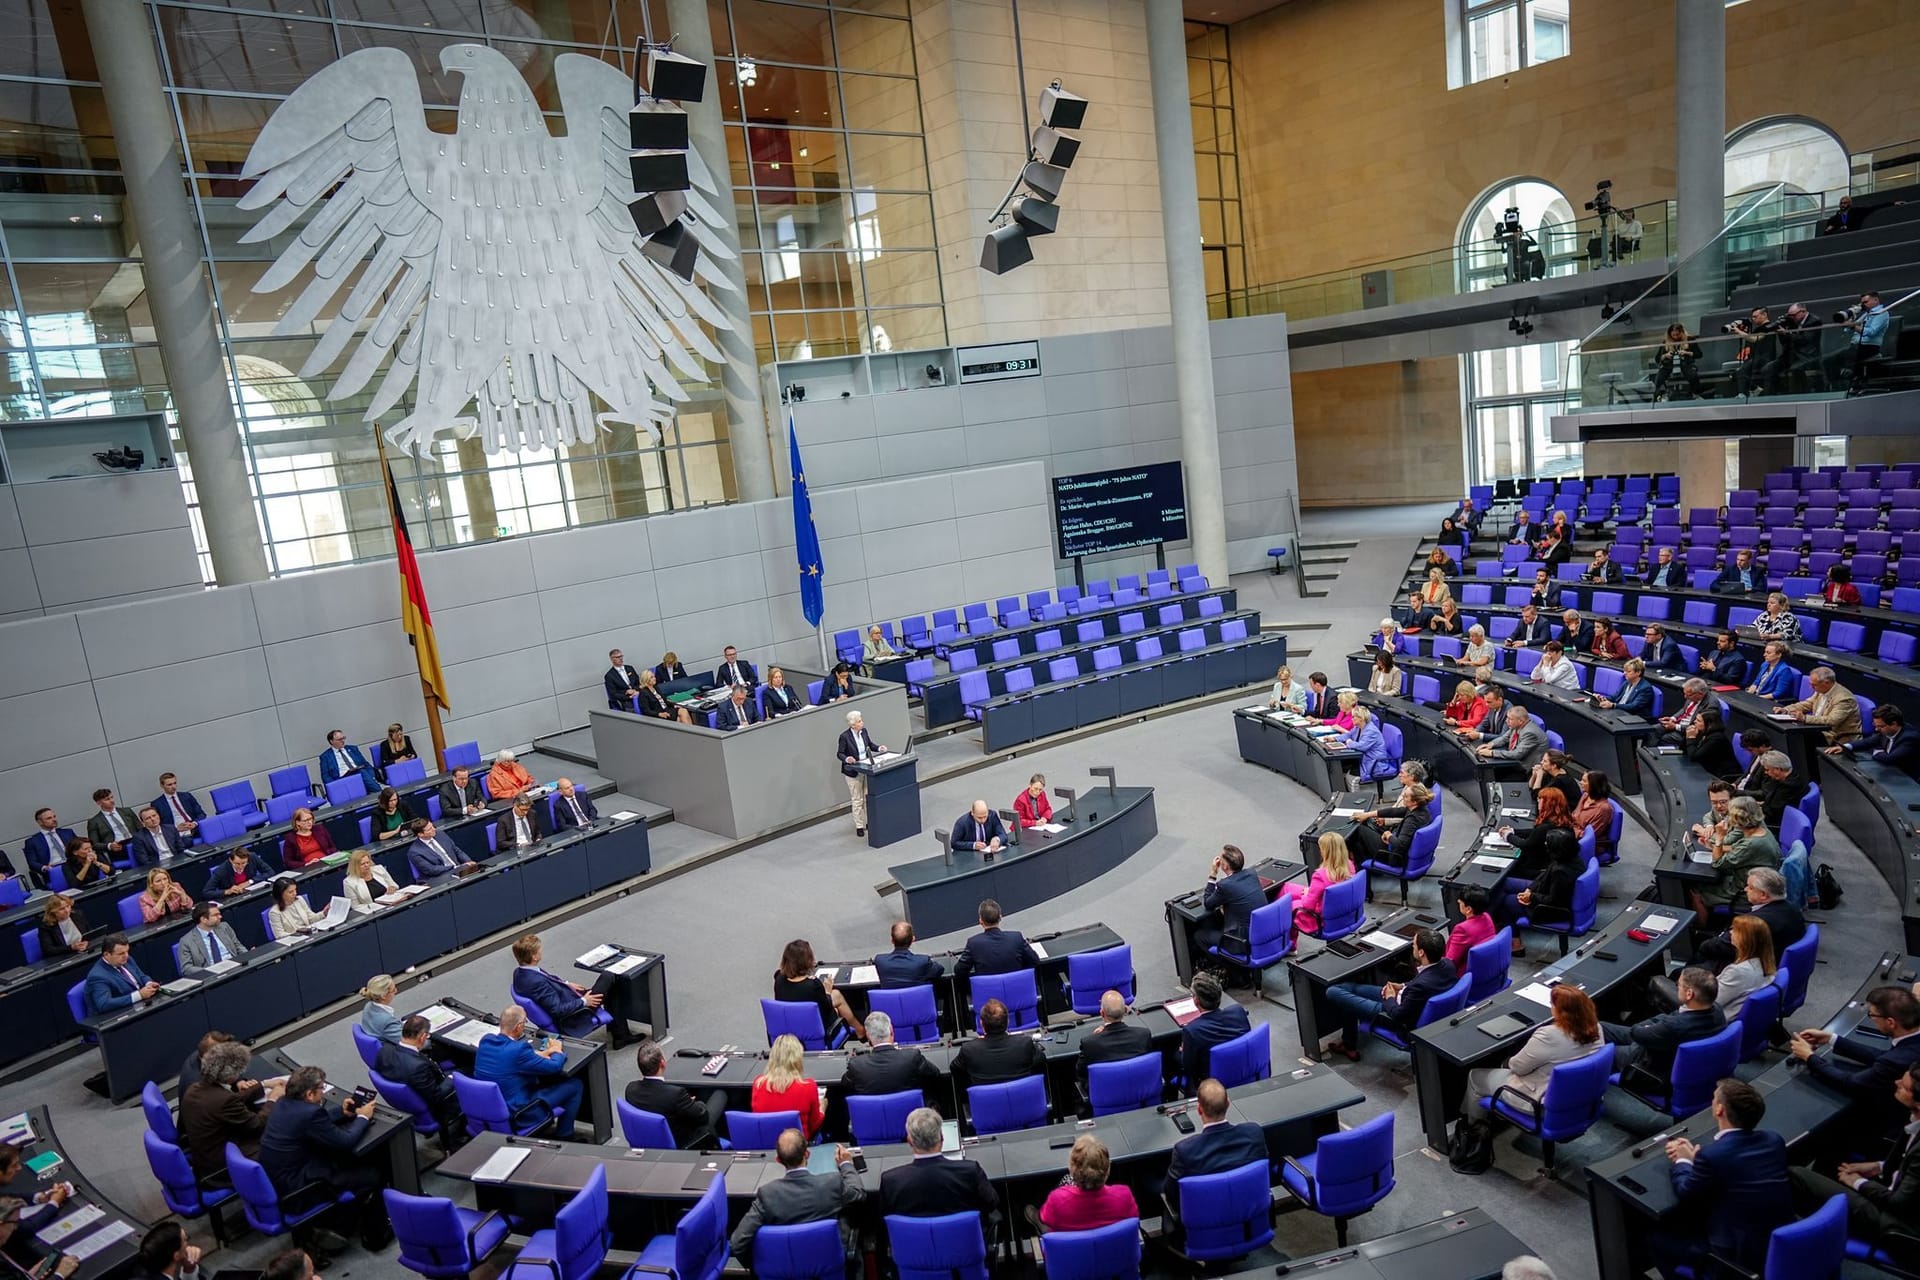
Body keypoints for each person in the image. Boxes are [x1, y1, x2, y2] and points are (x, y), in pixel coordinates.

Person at [1653, 1079, 1793, 1280]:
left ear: (1719, 1110)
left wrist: (1682, 1161)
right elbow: (1735, 1167)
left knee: (1657, 1238)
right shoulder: (1773, 1140)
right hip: (1776, 1237)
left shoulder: (1712, 1156)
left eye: (1714, 1098)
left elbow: (1686, 1191)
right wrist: (1696, 1160)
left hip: (1735, 1252)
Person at [1788, 1063, 1920, 1268]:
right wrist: (1879, 1166)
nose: (1896, 1083)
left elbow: (1897, 1202)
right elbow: (1909, 1168)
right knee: (1832, 1152)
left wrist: (1858, 1182)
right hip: (1897, 1197)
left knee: (1795, 1174)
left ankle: (1805, 1245)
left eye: (1903, 1086)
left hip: (1895, 1226)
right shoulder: (1915, 1120)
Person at [258, 1064, 388, 1249]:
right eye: (321, 1088)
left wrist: (341, 1113)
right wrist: (363, 1118)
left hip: (280, 1179)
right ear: (309, 1094)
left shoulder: (283, 1104)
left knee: (344, 1160)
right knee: (373, 1174)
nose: (323, 1092)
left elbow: (312, 1123)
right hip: (300, 1188)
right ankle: (369, 1233)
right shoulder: (309, 1113)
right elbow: (345, 1141)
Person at [1460, 984, 1601, 1123]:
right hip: (1583, 1096)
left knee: (1476, 1077)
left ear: (1560, 1011)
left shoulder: (1548, 1035)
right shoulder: (1596, 1028)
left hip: (1543, 1103)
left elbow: (1518, 1068)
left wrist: (1507, 1062)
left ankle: (1472, 1130)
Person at [728, 1127, 864, 1264]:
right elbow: (858, 1194)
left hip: (783, 1269)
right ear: (807, 1154)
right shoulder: (832, 1183)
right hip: (829, 1265)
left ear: (778, 1160)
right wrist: (846, 1164)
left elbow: (737, 1244)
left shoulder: (767, 1195)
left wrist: (764, 1265)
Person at [1323, 928, 1457, 1060]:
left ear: (1421, 953)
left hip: (1390, 1014)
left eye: (1414, 945)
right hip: (1404, 998)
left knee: (1333, 992)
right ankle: (1348, 1043)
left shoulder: (1420, 986)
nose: (1412, 947)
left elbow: (1398, 1015)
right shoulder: (1447, 964)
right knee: (1347, 988)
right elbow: (1422, 983)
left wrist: (1390, 997)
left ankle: (1349, 1043)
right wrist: (1403, 986)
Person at [1790, 987, 1920, 1123]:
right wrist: (1831, 1038)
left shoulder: (1896, 1060)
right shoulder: (1910, 1039)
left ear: (1890, 1022)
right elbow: (1884, 1055)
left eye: (1873, 1015)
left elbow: (1851, 1083)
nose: (1871, 1019)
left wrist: (1809, 1057)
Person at [1162, 1077, 1268, 1224]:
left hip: (1205, 1233)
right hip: (1249, 1225)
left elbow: (1171, 1195)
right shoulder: (1254, 1133)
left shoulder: (1185, 1151)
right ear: (1228, 1104)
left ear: (1199, 1109)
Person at [1604, 967, 1727, 1093]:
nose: (1676, 987)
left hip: (1650, 1064)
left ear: (1689, 994)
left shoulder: (1675, 1026)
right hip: (1666, 1051)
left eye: (1678, 985)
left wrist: (1649, 1026)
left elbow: (1636, 1033)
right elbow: (1669, 1017)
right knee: (1602, 1027)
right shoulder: (1717, 1010)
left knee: (1604, 1052)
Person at [879, 1107, 998, 1228]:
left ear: (910, 1141)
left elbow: (884, 1220)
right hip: (964, 1244)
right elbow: (991, 1203)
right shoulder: (970, 1171)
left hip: (914, 1245)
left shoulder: (890, 1181)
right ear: (941, 1137)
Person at [475, 1005, 582, 1138]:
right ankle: (565, 1135)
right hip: (519, 1114)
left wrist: (545, 1053)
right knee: (575, 1085)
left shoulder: (487, 1040)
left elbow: (513, 1060)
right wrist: (557, 1050)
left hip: (490, 1109)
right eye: (525, 1022)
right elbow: (554, 1066)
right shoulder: (519, 1050)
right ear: (519, 1027)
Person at [373, 1014, 463, 1140]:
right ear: (422, 1037)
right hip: (437, 1108)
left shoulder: (384, 1051)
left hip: (405, 1102)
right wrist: (453, 1077)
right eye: (428, 1036)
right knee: (465, 1073)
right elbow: (437, 1096)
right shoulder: (418, 1067)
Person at [625, 1038, 727, 1149]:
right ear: (662, 1063)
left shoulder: (630, 1089)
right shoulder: (675, 1094)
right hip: (681, 1142)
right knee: (720, 1095)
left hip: (647, 1140)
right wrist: (697, 1103)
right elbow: (702, 1115)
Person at [1697, 868, 1804, 970]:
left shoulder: (1754, 922)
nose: (1745, 889)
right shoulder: (1793, 909)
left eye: (1750, 887)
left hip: (1746, 967)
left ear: (1763, 895)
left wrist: (1702, 945)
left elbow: (1716, 947)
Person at [1697, 795, 1782, 918]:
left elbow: (1717, 863)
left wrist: (1719, 838)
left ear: (1738, 820)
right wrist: (1711, 846)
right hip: (1758, 881)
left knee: (1695, 888)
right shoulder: (1761, 831)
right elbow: (1736, 849)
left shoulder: (1752, 844)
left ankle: (1699, 928)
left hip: (1743, 891)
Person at [510, 934, 604, 1037]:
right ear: (534, 957)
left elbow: (548, 979)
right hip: (573, 1014)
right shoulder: (537, 982)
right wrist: (584, 1001)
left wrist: (566, 984)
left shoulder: (520, 972)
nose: (541, 951)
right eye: (539, 950)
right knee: (609, 978)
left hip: (566, 996)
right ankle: (620, 1035)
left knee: (611, 982)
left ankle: (620, 1035)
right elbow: (558, 1010)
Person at [774, 939, 864, 1041]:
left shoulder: (778, 978)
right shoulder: (813, 985)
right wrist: (827, 990)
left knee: (835, 995)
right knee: (836, 996)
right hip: (817, 1032)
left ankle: (859, 1030)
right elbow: (826, 1006)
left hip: (789, 1029)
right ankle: (860, 1030)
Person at [954, 997, 1047, 1090]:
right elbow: (1041, 1060)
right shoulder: (1024, 1043)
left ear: (981, 1024)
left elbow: (955, 1069)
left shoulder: (969, 1049)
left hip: (985, 1103)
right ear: (1008, 1022)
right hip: (1023, 1101)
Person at [1178, 972, 1253, 1085]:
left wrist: (1185, 1051)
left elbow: (1189, 1068)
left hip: (1212, 1085)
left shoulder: (1192, 1031)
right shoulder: (1238, 1012)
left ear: (1196, 1001)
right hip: (1245, 1072)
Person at [1076, 990, 1154, 1096]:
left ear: (1102, 1013)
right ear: (1126, 1010)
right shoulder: (1143, 1035)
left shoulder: (1089, 1043)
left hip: (1105, 1099)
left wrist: (1096, 1037)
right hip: (1140, 1095)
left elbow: (1081, 1072)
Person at [1193, 844, 1268, 954]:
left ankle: (1230, 969)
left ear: (1225, 866)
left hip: (1241, 942)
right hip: (1262, 933)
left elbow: (1208, 903)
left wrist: (1213, 873)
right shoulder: (1251, 874)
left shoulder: (1225, 885)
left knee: (1199, 936)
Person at [846, 1010, 940, 1096]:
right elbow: (935, 1074)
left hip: (872, 1114)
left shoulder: (856, 1065)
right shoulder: (912, 1057)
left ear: (868, 1036)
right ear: (891, 1031)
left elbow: (844, 1085)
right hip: (909, 1113)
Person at [1344, 782, 1434, 871]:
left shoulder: (1412, 820)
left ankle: (1354, 867)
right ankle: (1362, 866)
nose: (1403, 798)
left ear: (1414, 801)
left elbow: (1400, 844)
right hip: (1398, 845)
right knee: (1365, 828)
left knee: (1358, 829)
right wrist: (1368, 814)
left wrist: (1388, 835)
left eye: (1406, 796)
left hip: (1393, 855)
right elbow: (1394, 811)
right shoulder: (1422, 810)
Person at [752, 1033, 825, 1138]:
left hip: (768, 1142)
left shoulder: (758, 1084)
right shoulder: (808, 1086)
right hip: (798, 1148)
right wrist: (822, 1108)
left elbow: (757, 1118)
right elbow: (814, 1124)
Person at [1287, 833, 1355, 936]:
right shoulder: (1349, 865)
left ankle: (1291, 945)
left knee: (1288, 905)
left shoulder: (1320, 875)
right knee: (1287, 888)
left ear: (1325, 851)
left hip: (1321, 919)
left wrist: (1305, 894)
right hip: (1342, 911)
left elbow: (1307, 906)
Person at [1830, 704, 1920, 779]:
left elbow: (1890, 759)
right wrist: (1846, 747)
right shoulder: (1885, 731)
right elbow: (1868, 742)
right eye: (1875, 725)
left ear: (1894, 724)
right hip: (1890, 771)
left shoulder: (1909, 738)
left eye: (1880, 726)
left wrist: (1876, 752)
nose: (1876, 729)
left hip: (1907, 778)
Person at [837, 710, 887, 837]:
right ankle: (859, 825)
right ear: (852, 725)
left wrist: (879, 748)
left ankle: (869, 822)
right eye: (859, 721)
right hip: (853, 772)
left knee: (866, 797)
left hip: (865, 769)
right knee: (857, 800)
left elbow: (869, 745)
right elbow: (840, 754)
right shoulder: (844, 737)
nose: (862, 722)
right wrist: (847, 759)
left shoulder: (864, 732)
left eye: (861, 720)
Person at [1784, 666, 1863, 746]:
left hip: (1835, 736)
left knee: (1797, 737)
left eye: (1814, 685)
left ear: (1827, 683)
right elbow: (1808, 704)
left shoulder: (1844, 699)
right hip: (1818, 730)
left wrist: (1805, 718)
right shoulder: (1821, 690)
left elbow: (1832, 721)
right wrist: (1786, 709)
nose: (1812, 688)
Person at [82, 934, 159, 1015]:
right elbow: (104, 1004)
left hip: (139, 1006)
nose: (126, 956)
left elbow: (141, 976)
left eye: (127, 951)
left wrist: (149, 983)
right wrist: (139, 995)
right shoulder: (97, 976)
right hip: (117, 1015)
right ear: (106, 955)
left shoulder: (127, 959)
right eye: (121, 953)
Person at [1837, 290, 1891, 395]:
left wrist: (1853, 326)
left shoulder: (1882, 313)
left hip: (1870, 347)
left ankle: (1851, 381)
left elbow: (1870, 332)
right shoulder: (1866, 314)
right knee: (1830, 358)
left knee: (1847, 355)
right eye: (1862, 303)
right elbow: (1847, 330)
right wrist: (1849, 320)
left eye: (1866, 302)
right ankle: (1838, 385)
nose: (1863, 305)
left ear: (1876, 300)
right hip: (1857, 345)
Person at [1747, 751, 1809, 836]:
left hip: (1776, 825)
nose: (1766, 773)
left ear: (1777, 769)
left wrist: (1753, 809)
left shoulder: (1788, 786)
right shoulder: (1792, 776)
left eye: (1767, 770)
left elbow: (1772, 811)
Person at [1478, 704, 1548, 774]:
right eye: (1507, 718)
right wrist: (1490, 745)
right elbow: (1504, 738)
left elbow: (1517, 754)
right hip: (1514, 762)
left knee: (1490, 772)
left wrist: (1492, 753)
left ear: (1520, 721)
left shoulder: (1530, 733)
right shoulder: (1517, 725)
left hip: (1524, 769)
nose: (1506, 721)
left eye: (1510, 719)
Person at [1328, 703, 1389, 781]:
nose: (1352, 719)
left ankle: (1351, 788)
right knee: (1340, 764)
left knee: (1345, 767)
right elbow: (1349, 735)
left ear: (1361, 718)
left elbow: (1362, 747)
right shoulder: (1358, 726)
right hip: (1362, 756)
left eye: (1353, 717)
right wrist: (1334, 738)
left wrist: (1349, 742)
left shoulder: (1371, 731)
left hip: (1373, 761)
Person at [178, 902, 246, 971]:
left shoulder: (224, 927)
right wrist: (209, 971)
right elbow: (186, 968)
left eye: (219, 914)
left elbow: (238, 946)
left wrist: (248, 955)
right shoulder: (186, 941)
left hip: (235, 967)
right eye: (215, 915)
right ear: (204, 919)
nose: (220, 916)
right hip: (211, 975)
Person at [873, 921, 943, 988]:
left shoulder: (880, 961)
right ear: (913, 939)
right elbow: (939, 970)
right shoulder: (923, 961)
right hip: (916, 1000)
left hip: (889, 1000)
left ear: (892, 940)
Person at [1445, 886, 1498, 968]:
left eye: (1460, 902)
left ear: (1469, 909)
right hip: (1485, 967)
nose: (1458, 902)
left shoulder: (1462, 929)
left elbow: (1450, 962)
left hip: (1465, 973)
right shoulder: (1487, 917)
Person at [407, 818, 476, 879]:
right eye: (429, 829)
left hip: (459, 870)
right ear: (420, 834)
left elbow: (456, 851)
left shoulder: (440, 834)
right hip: (439, 877)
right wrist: (454, 868)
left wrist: (468, 862)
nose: (434, 829)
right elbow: (431, 870)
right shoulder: (414, 852)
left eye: (432, 826)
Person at [85, 788, 137, 864]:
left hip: (136, 843)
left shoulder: (127, 811)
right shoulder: (94, 822)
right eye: (107, 799)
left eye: (112, 797)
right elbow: (94, 844)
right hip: (117, 850)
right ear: (99, 803)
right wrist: (109, 846)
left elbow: (140, 829)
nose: (111, 801)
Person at [1652, 324, 1703, 400]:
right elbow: (1657, 358)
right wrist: (1665, 355)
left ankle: (1696, 393)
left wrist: (1687, 353)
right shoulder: (1665, 342)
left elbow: (1699, 354)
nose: (1675, 337)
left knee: (1692, 376)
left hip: (1686, 364)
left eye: (1677, 334)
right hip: (1668, 365)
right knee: (1659, 378)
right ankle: (1657, 396)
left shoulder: (1690, 339)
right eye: (1673, 335)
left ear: (1682, 332)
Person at [152, 773, 205, 839]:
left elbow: (201, 814)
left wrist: (194, 823)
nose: (173, 786)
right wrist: (175, 829)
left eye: (175, 783)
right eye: (169, 785)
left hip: (194, 827)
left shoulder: (187, 796)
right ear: (162, 786)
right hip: (177, 832)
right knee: (185, 841)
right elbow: (159, 825)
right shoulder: (157, 804)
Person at [35, 895, 88, 960]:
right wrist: (71, 947)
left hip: (84, 951)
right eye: (61, 909)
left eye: (68, 906)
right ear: (53, 911)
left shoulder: (77, 915)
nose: (67, 910)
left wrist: (86, 942)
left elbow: (89, 933)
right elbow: (48, 950)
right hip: (65, 957)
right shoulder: (46, 926)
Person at [205, 845, 270, 895]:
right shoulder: (221, 871)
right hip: (234, 897)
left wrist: (250, 881)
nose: (241, 867)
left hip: (252, 891)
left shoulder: (252, 857)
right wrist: (227, 891)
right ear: (230, 860)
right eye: (237, 864)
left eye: (244, 863)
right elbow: (207, 892)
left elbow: (270, 872)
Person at [359, 974, 403, 1043]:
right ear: (383, 996)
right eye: (393, 989)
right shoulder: (386, 1021)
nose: (396, 991)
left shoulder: (368, 1006)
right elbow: (409, 1043)